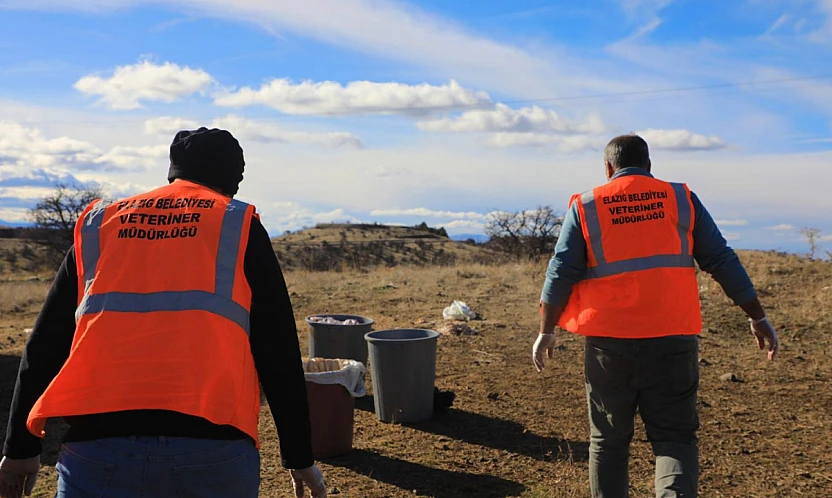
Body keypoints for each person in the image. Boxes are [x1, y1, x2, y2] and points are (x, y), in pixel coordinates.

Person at [0, 128, 328, 498]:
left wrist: (19, 449)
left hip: (97, 450)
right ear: (235, 177)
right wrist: (299, 455)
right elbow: (278, 350)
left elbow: (45, 344)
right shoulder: (237, 224)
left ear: (174, 170)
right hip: (212, 449)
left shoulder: (99, 223)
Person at [532, 134, 779, 498]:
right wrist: (756, 316)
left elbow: (560, 271)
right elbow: (721, 259)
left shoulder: (586, 206)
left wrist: (547, 330)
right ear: (649, 166)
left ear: (607, 168)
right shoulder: (681, 199)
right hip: (672, 339)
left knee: (607, 443)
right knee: (674, 439)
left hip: (608, 344)